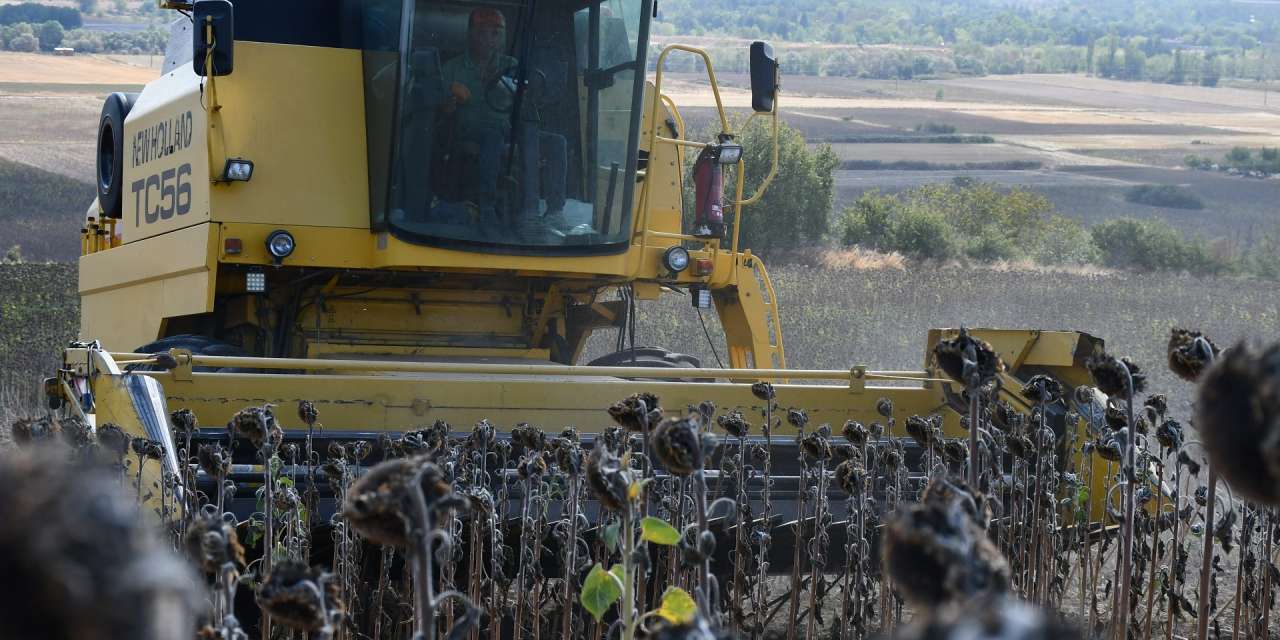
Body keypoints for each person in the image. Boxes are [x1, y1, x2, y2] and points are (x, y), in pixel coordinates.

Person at [440, 7, 567, 236]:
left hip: (506, 131)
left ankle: (552, 211)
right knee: (493, 137)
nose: (489, 39)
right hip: (468, 133)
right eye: (482, 32)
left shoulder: (512, 65)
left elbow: (526, 98)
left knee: (556, 142)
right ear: (470, 34)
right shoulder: (451, 69)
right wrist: (448, 104)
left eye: (495, 33)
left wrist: (525, 93)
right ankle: (486, 208)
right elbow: (439, 113)